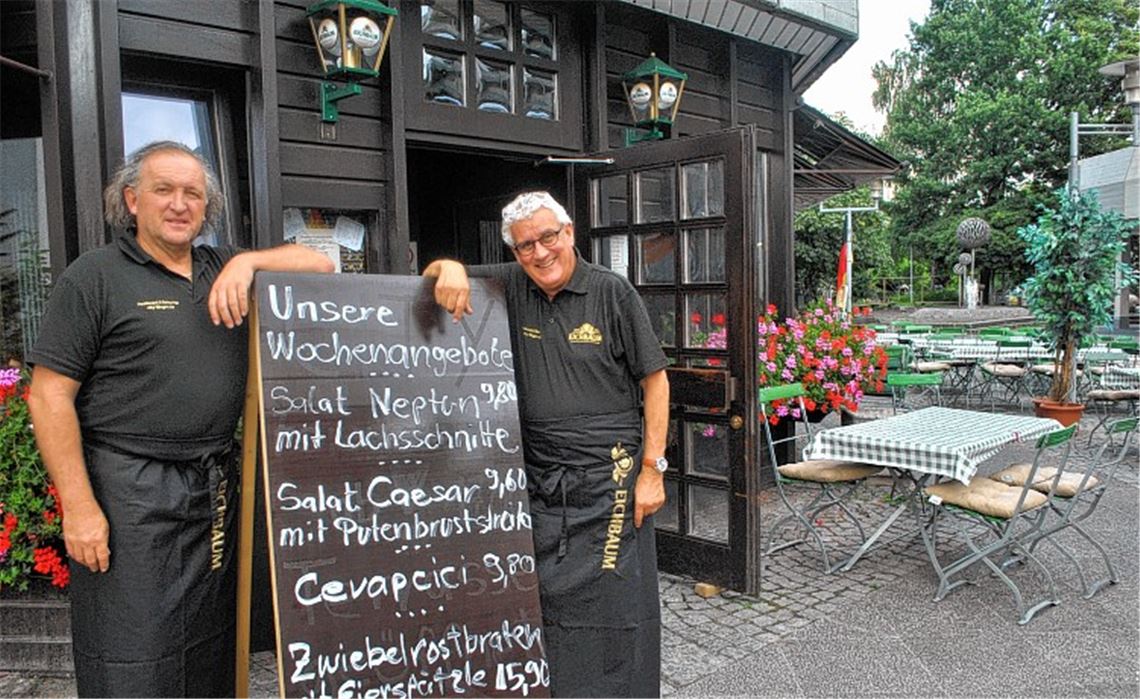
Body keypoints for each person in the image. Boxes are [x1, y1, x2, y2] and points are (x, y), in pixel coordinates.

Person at [27, 141, 334, 697]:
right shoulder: (94, 276)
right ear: (132, 200)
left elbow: (321, 262)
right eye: (163, 190)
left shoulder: (222, 267)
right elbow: (48, 395)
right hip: (129, 493)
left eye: (192, 193)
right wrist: (79, 508)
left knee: (211, 646)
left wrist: (247, 261)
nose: (178, 204)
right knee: (135, 653)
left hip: (210, 489)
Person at [423, 191, 669, 697]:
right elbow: (439, 275)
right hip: (540, 487)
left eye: (548, 238)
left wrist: (652, 468)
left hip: (613, 484)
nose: (539, 253)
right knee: (544, 610)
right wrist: (444, 266)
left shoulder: (612, 291)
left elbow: (656, 381)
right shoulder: (506, 285)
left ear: (570, 233)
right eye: (524, 245)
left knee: (618, 612)